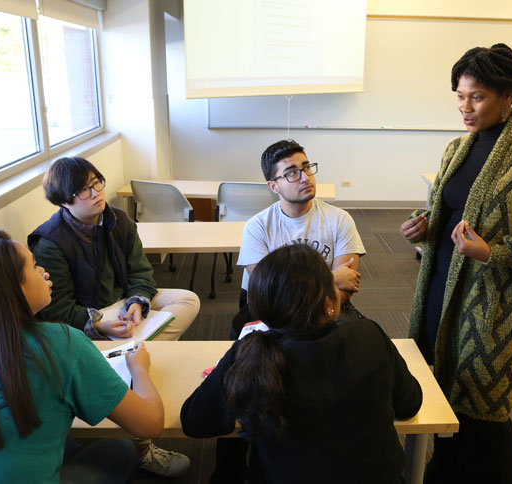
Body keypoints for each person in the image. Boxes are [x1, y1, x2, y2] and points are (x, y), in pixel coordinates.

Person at [401, 43, 512, 484]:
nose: (464, 107)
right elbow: (451, 212)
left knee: (483, 413)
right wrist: (425, 227)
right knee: (439, 398)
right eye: (459, 96)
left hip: (495, 308)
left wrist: (492, 252)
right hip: (442, 287)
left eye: (476, 97)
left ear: (508, 95)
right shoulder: (457, 148)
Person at [0, 230, 165, 483]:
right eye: (33, 266)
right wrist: (139, 369)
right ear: (11, 288)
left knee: (68, 442)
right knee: (118, 448)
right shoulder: (59, 343)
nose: (44, 271)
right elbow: (151, 424)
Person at [181, 244, 422, 484]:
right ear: (330, 300)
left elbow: (194, 421)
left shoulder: (249, 353)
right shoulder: (368, 335)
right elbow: (410, 404)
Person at [28, 156, 197, 476]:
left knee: (187, 299)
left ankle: (130, 355)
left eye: (96, 183)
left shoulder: (118, 219)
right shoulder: (49, 242)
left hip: (122, 305)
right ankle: (136, 384)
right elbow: (57, 308)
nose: (95, 193)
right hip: (86, 316)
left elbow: (142, 273)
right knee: (108, 338)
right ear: (64, 201)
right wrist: (97, 323)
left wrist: (137, 300)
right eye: (84, 190)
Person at [235, 139, 366, 329]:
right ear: (274, 187)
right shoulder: (257, 226)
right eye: (292, 173)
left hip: (329, 310)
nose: (305, 178)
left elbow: (346, 285)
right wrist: (331, 278)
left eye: (306, 168)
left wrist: (293, 288)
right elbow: (265, 291)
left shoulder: (340, 219)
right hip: (276, 313)